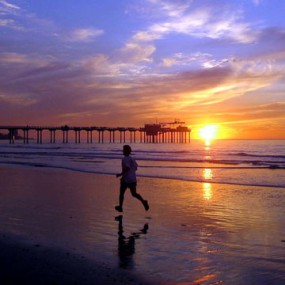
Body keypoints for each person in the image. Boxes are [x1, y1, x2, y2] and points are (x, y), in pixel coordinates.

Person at [115, 145, 149, 212]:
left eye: (123, 150)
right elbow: (136, 167)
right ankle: (143, 201)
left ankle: (120, 207)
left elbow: (127, 168)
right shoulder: (132, 159)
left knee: (121, 193)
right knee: (134, 194)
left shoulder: (125, 159)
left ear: (125, 151)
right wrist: (131, 173)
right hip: (133, 179)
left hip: (126, 179)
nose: (122, 151)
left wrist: (120, 174)